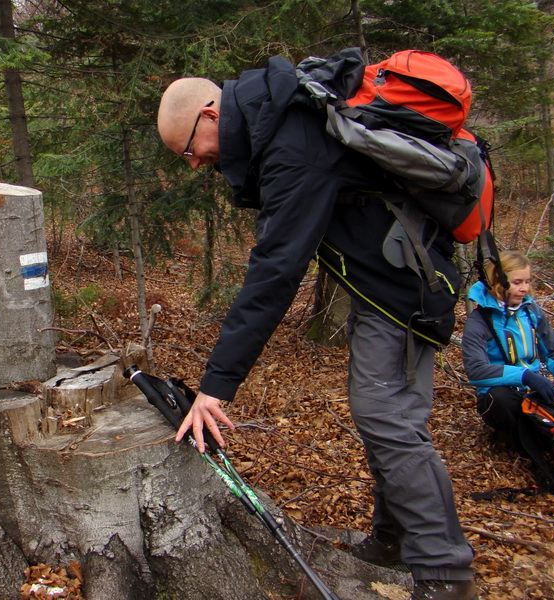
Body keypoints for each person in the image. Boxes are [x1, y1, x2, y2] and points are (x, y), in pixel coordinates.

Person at [156, 57, 478, 600]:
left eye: (189, 150)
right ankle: (393, 541)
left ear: (210, 115)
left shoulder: (291, 142)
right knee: (387, 414)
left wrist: (216, 385)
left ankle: (445, 573)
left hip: (406, 288)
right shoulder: (284, 119)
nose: (193, 164)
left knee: (388, 416)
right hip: (393, 280)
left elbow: (277, 269)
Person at [462, 250, 554, 461]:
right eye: (517, 282)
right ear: (498, 282)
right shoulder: (479, 321)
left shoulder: (532, 311)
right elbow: (476, 371)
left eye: (527, 281)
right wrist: (526, 376)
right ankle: (544, 448)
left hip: (535, 390)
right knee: (500, 399)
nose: (525, 289)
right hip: (502, 396)